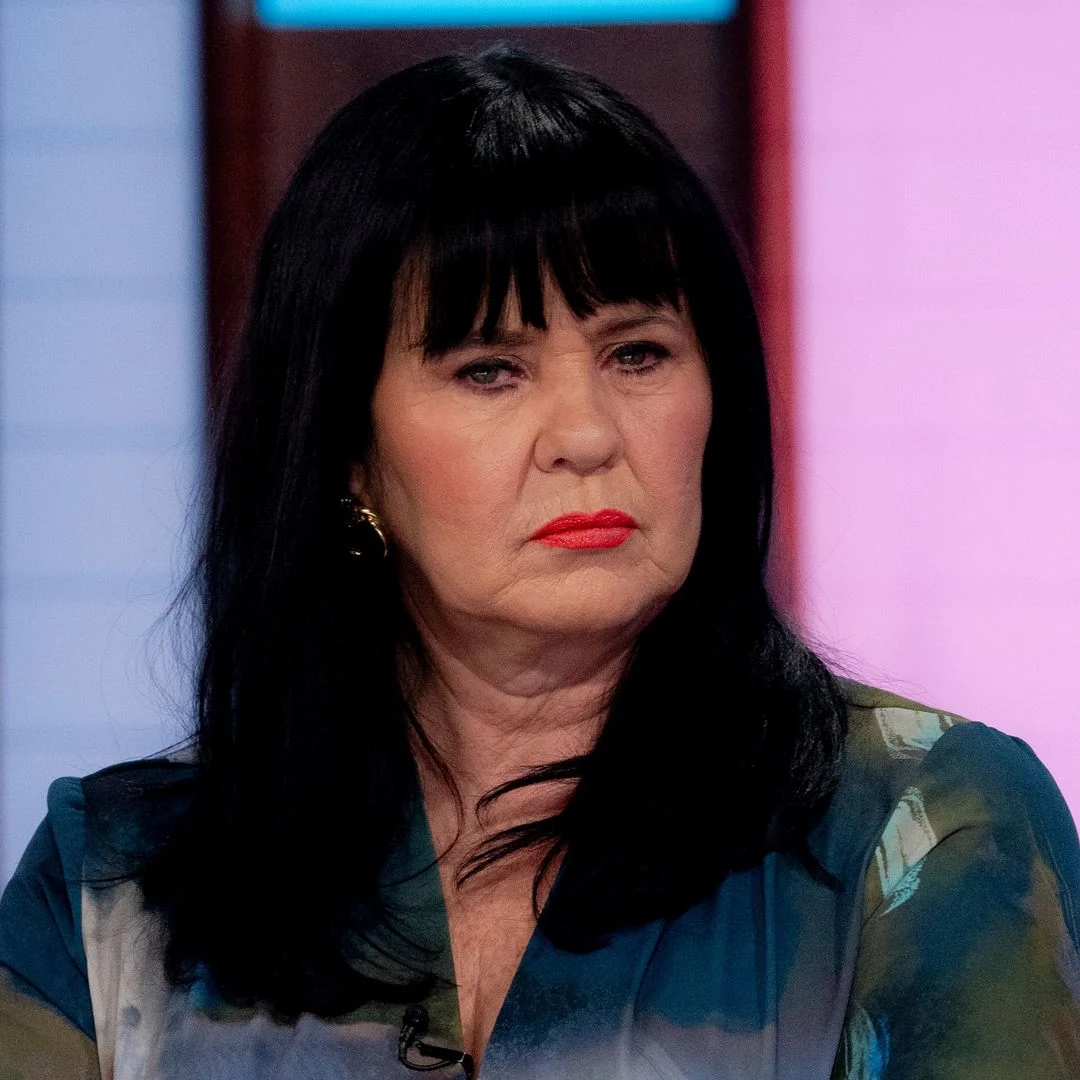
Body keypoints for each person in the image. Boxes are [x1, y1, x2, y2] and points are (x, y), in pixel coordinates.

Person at [1, 45, 1078, 1080]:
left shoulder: (927, 825)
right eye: (490, 369)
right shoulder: (115, 889)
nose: (587, 434)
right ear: (346, 453)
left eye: (638, 354)